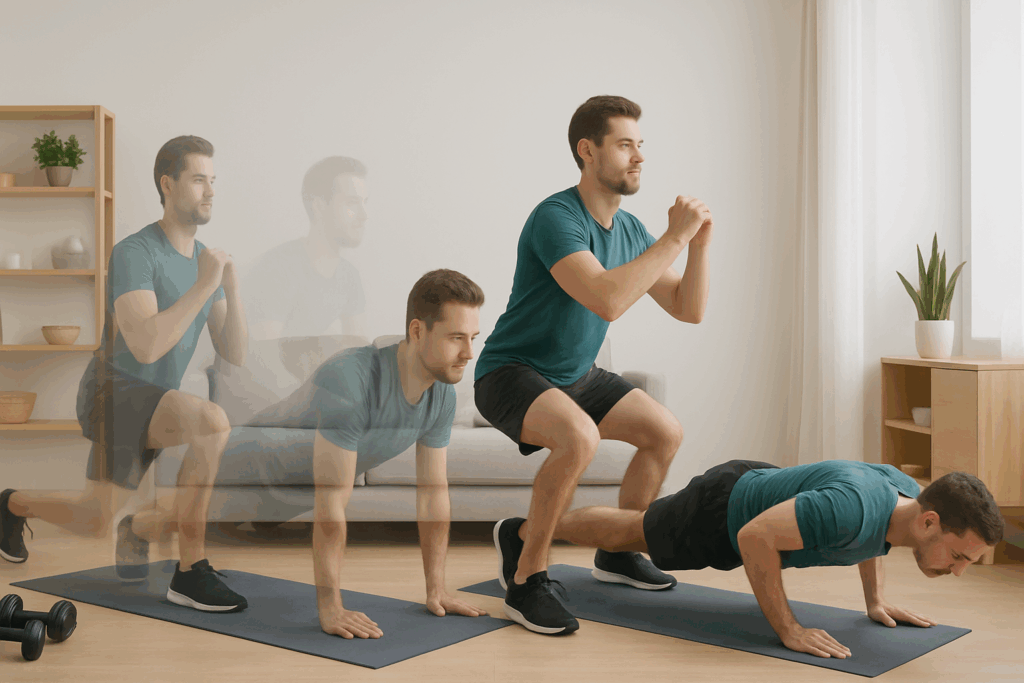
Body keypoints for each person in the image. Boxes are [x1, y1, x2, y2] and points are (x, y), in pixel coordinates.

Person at [474, 95, 714, 634]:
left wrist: (697, 246)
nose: (639, 157)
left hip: (575, 374)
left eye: (640, 145)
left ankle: (617, 549)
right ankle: (525, 576)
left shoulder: (629, 230)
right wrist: (675, 235)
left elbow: (688, 309)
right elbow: (606, 299)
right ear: (588, 151)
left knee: (664, 433)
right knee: (578, 438)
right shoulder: (556, 217)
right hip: (510, 371)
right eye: (625, 144)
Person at [0, 136, 250, 613]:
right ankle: (190, 573)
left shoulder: (204, 266)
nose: (210, 191)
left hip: (152, 403)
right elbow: (146, 343)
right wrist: (204, 284)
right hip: (110, 393)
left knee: (93, 519)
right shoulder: (136, 252)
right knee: (212, 422)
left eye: (213, 181)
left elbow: (234, 352)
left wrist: (231, 291)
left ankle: (11, 505)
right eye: (199, 180)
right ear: (168, 184)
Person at [494, 461, 1005, 657]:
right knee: (635, 530)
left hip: (753, 486)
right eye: (959, 557)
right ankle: (523, 533)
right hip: (724, 513)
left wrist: (877, 600)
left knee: (638, 531)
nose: (957, 571)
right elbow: (757, 538)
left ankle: (611, 558)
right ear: (931, 522)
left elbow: (878, 538)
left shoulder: (905, 497)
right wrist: (788, 628)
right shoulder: (852, 509)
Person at [248, 269, 489, 638]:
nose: (469, 353)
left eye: (472, 338)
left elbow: (433, 496)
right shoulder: (351, 376)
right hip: (250, 470)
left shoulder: (441, 393)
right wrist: (331, 607)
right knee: (169, 520)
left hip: (291, 497)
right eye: (456, 338)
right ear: (417, 331)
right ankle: (139, 525)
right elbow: (331, 502)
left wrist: (436, 590)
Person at [243, 155, 368, 343]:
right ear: (319, 206)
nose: (364, 215)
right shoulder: (278, 268)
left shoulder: (349, 276)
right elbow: (263, 359)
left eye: (365, 202)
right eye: (352, 203)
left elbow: (361, 352)